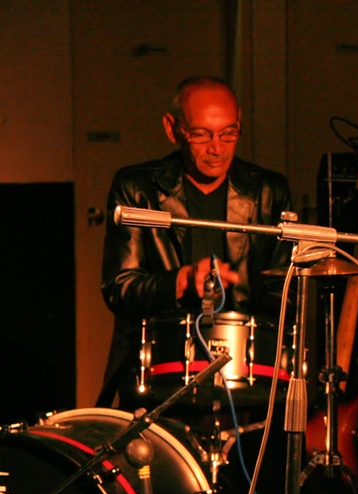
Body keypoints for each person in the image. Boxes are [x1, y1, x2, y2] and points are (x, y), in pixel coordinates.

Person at [98, 75, 292, 409]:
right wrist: (182, 281)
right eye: (201, 134)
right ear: (172, 129)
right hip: (158, 370)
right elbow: (119, 287)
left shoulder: (267, 191)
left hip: (245, 374)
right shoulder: (136, 187)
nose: (217, 148)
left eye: (229, 133)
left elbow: (285, 293)